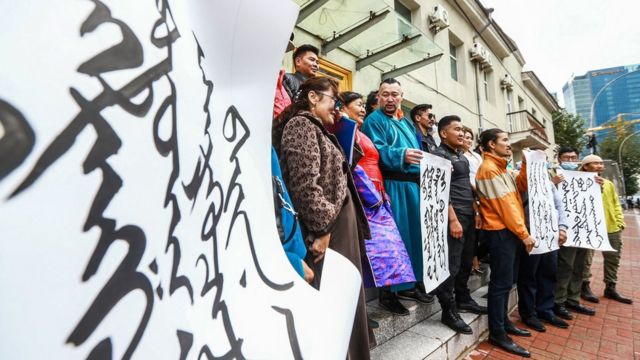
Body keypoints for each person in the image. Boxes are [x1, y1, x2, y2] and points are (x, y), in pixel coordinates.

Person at [273, 77, 371, 359]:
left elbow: (347, 164)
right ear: (313, 97)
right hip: (329, 229)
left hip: (338, 225)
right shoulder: (301, 126)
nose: (337, 107)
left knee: (344, 296)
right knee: (333, 299)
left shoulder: (319, 128)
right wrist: (323, 227)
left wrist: (343, 124)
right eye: (334, 100)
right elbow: (305, 185)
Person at [339, 91, 416, 316]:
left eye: (364, 105)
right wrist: (372, 193)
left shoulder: (358, 131)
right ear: (343, 106)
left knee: (385, 251)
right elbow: (353, 167)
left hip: (376, 193)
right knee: (372, 252)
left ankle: (383, 298)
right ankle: (370, 304)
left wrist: (380, 192)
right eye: (359, 105)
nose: (364, 109)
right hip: (364, 196)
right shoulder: (346, 129)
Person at [361, 78, 434, 310]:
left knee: (414, 237)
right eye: (385, 94)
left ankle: (409, 285)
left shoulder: (404, 123)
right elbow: (375, 150)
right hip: (393, 185)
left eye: (394, 94)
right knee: (395, 239)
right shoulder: (374, 120)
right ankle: (388, 294)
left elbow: (420, 153)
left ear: (401, 97)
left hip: (413, 187)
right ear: (379, 97)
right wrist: (402, 154)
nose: (390, 98)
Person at [476, 128, 534, 358]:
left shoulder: (502, 167)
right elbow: (506, 207)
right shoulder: (489, 170)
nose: (509, 145)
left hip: (508, 232)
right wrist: (523, 233)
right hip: (500, 233)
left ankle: (504, 324)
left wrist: (527, 164)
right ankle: (498, 333)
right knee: (500, 284)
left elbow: (521, 187)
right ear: (491, 144)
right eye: (505, 141)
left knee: (506, 281)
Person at [430, 116, 485, 334]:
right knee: (451, 266)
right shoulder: (438, 155)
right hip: (453, 218)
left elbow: (465, 186)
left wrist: (476, 211)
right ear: (443, 133)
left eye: (463, 129)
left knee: (465, 262)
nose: (462, 133)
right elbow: (439, 191)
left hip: (469, 215)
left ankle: (463, 298)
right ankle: (448, 310)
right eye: (457, 129)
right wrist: (452, 219)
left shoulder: (460, 155)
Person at [517, 151, 570, 334]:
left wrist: (562, 228)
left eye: (544, 162)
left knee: (549, 273)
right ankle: (528, 313)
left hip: (551, 236)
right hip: (531, 236)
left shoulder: (548, 183)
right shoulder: (520, 180)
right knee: (529, 276)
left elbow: (559, 205)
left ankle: (545, 309)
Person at [580, 155, 632, 304]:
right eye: (595, 163)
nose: (599, 165)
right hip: (589, 228)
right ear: (585, 166)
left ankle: (611, 287)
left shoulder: (608, 183)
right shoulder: (578, 182)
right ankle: (585, 287)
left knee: (613, 259)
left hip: (611, 227)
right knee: (586, 259)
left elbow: (616, 204)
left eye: (601, 163)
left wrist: (620, 222)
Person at [552, 146, 597, 320]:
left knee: (579, 266)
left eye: (573, 157)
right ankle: (559, 301)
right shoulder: (552, 174)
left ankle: (573, 299)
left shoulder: (586, 177)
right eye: (566, 158)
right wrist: (553, 182)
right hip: (564, 229)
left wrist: (597, 185)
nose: (570, 161)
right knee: (565, 266)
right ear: (559, 159)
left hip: (583, 228)